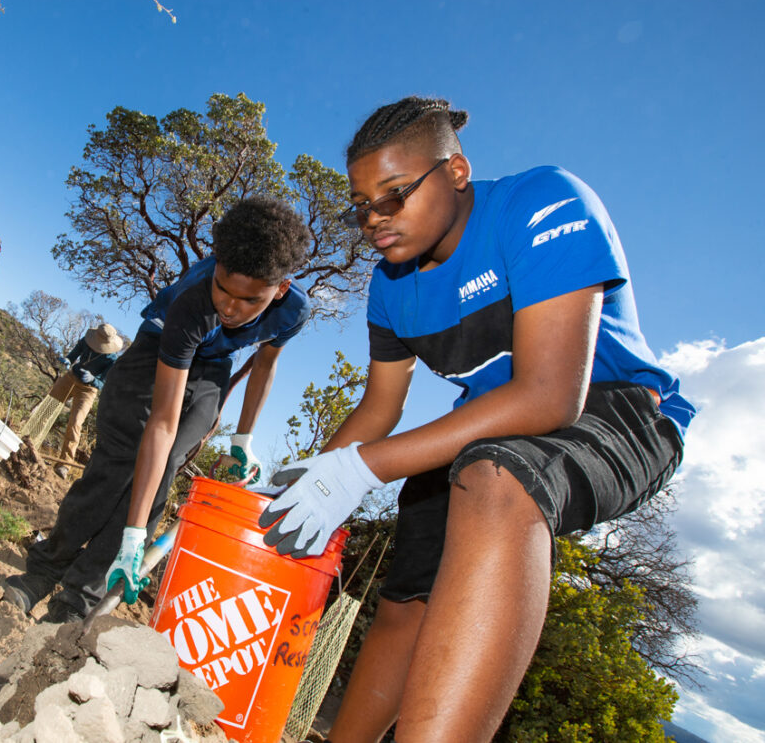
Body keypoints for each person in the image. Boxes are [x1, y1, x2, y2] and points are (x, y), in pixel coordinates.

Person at [256, 97, 695, 743]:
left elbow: (548, 396)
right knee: (407, 597)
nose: (374, 218)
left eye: (394, 194)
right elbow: (380, 407)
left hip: (619, 407)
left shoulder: (542, 201)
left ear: (456, 170)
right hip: (482, 434)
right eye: (361, 204)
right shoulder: (390, 286)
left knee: (498, 477)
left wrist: (359, 469)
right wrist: (307, 481)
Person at [2, 196, 312, 624]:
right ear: (217, 264)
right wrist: (135, 537)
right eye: (223, 288)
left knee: (161, 476)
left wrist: (244, 439)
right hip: (160, 348)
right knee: (121, 461)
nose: (229, 307)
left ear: (279, 290)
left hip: (213, 368)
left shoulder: (294, 310)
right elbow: (162, 422)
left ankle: (77, 600)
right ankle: (43, 572)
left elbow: (265, 365)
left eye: (249, 301)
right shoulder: (195, 300)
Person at [46, 323, 124, 478]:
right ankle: (28, 439)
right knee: (49, 406)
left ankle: (64, 465)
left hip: (87, 390)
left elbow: (103, 384)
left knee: (75, 423)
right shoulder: (86, 341)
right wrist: (68, 360)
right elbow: (73, 354)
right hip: (70, 378)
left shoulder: (111, 359)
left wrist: (93, 379)